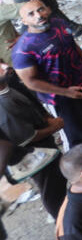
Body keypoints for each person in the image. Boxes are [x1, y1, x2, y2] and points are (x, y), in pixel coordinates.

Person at [11, 0, 82, 146]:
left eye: (41, 9)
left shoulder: (59, 24)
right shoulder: (23, 49)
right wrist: (66, 92)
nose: (38, 15)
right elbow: (30, 82)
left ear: (48, 9)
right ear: (24, 21)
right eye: (31, 14)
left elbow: (73, 46)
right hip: (60, 98)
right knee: (75, 136)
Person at [0, 56, 69, 221]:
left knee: (58, 183)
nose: (5, 66)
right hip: (34, 156)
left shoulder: (8, 87)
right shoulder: (3, 104)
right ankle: (64, 225)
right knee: (52, 192)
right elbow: (25, 138)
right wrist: (56, 126)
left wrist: (46, 119)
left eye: (1, 61)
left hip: (44, 149)